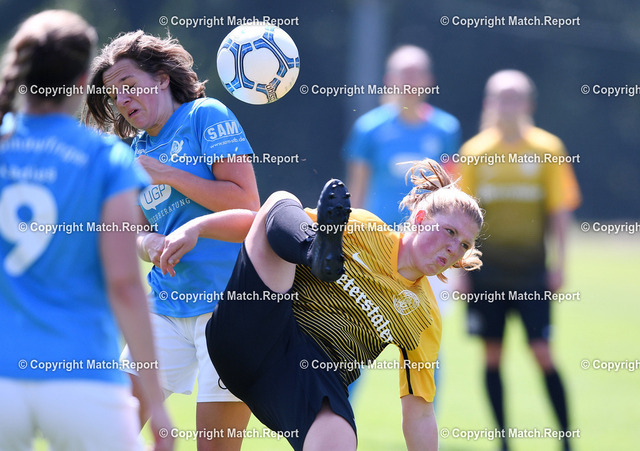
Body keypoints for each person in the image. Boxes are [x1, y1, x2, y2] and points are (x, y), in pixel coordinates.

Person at [158, 159, 484, 450]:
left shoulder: (424, 316)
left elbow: (420, 413)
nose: (453, 248)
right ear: (421, 218)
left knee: (340, 441)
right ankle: (314, 250)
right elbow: (266, 223)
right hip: (255, 328)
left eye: (464, 244)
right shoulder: (366, 228)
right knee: (281, 201)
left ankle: (317, 251)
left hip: (307, 382)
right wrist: (198, 227)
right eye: (449, 231)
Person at [0, 10, 172, 451]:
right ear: (81, 81)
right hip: (81, 376)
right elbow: (125, 284)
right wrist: (156, 404)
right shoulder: (106, 158)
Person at [84, 31, 260, 450]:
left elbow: (248, 208)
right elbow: (135, 231)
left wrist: (167, 174)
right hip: (164, 307)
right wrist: (150, 244)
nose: (122, 99)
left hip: (228, 306)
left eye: (129, 85)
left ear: (162, 78)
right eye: (114, 94)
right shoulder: (135, 151)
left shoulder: (205, 115)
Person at [458, 70, 581, 451]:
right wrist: (461, 269)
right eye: (500, 97)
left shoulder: (549, 148)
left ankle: (566, 440)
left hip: (531, 273)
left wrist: (560, 264)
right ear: (488, 103)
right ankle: (504, 442)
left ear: (528, 103)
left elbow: (559, 210)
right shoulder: (474, 151)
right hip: (486, 273)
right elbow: (462, 216)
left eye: (514, 97)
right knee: (492, 356)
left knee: (542, 353)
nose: (507, 104)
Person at [343, 44, 462, 397]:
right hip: (375, 249)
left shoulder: (446, 128)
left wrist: (456, 260)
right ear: (388, 79)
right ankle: (338, 419)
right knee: (355, 338)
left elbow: (453, 193)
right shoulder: (369, 128)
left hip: (428, 249)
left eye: (417, 74)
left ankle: (425, 422)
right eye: (403, 74)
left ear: (429, 80)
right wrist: (346, 241)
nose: (410, 81)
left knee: (425, 341)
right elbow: (356, 191)